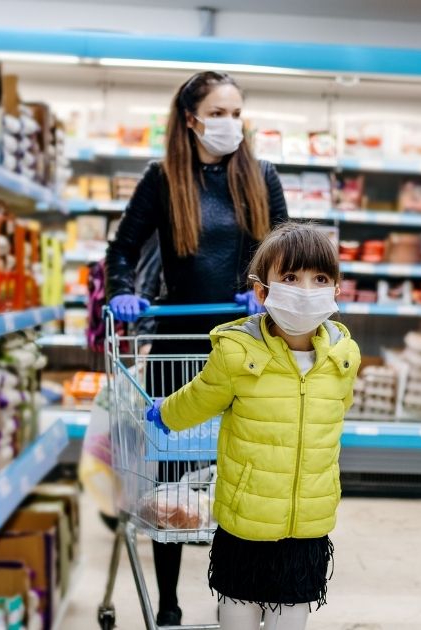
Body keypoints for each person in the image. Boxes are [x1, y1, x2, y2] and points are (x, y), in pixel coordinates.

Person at [105, 70, 289, 625]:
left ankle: (234, 598)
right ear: (190, 119)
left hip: (246, 348)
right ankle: (168, 605)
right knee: (170, 488)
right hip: (178, 348)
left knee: (239, 480)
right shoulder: (162, 180)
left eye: (236, 113)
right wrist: (123, 293)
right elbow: (121, 251)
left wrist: (266, 289)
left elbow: (286, 249)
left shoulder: (262, 176)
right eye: (218, 113)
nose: (229, 124)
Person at [145, 223, 360, 630]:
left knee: (291, 613)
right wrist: (167, 412)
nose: (305, 289)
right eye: (290, 278)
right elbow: (200, 396)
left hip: (307, 519)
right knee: (238, 608)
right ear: (262, 291)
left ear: (336, 290)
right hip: (246, 516)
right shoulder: (237, 354)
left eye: (319, 278)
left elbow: (339, 409)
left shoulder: (343, 358)